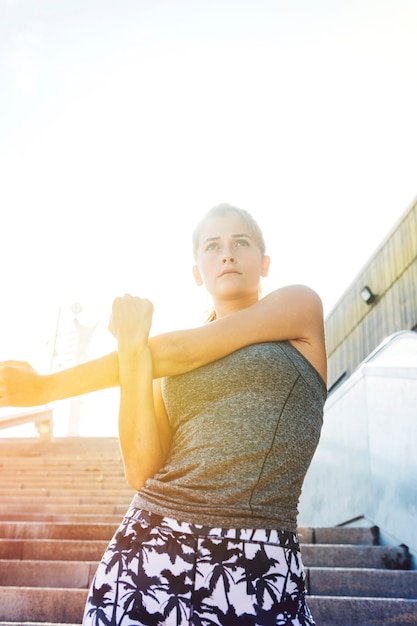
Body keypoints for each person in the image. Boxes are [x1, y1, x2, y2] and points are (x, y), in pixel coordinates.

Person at [0, 203, 327, 625]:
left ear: (264, 263)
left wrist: (47, 386)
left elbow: (179, 350)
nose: (227, 253)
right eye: (213, 246)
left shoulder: (299, 306)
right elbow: (141, 468)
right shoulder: (163, 366)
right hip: (149, 548)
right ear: (197, 272)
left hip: (258, 556)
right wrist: (134, 353)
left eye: (240, 242)